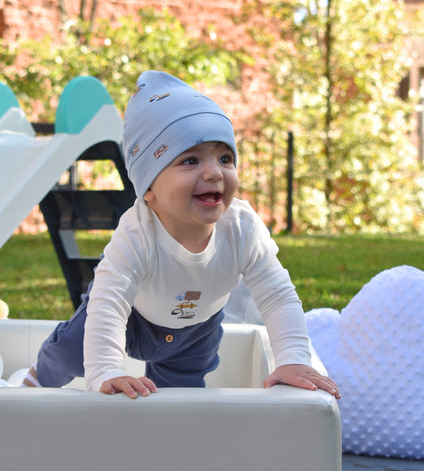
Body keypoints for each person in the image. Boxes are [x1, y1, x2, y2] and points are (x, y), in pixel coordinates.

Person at [23, 70, 340, 400]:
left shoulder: (242, 227)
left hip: (194, 332)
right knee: (70, 353)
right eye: (190, 160)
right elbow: (110, 304)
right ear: (149, 189)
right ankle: (31, 384)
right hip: (131, 315)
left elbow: (277, 294)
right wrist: (106, 371)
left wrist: (292, 359)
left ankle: (164, 445)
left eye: (225, 158)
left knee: (181, 404)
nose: (214, 172)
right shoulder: (136, 235)